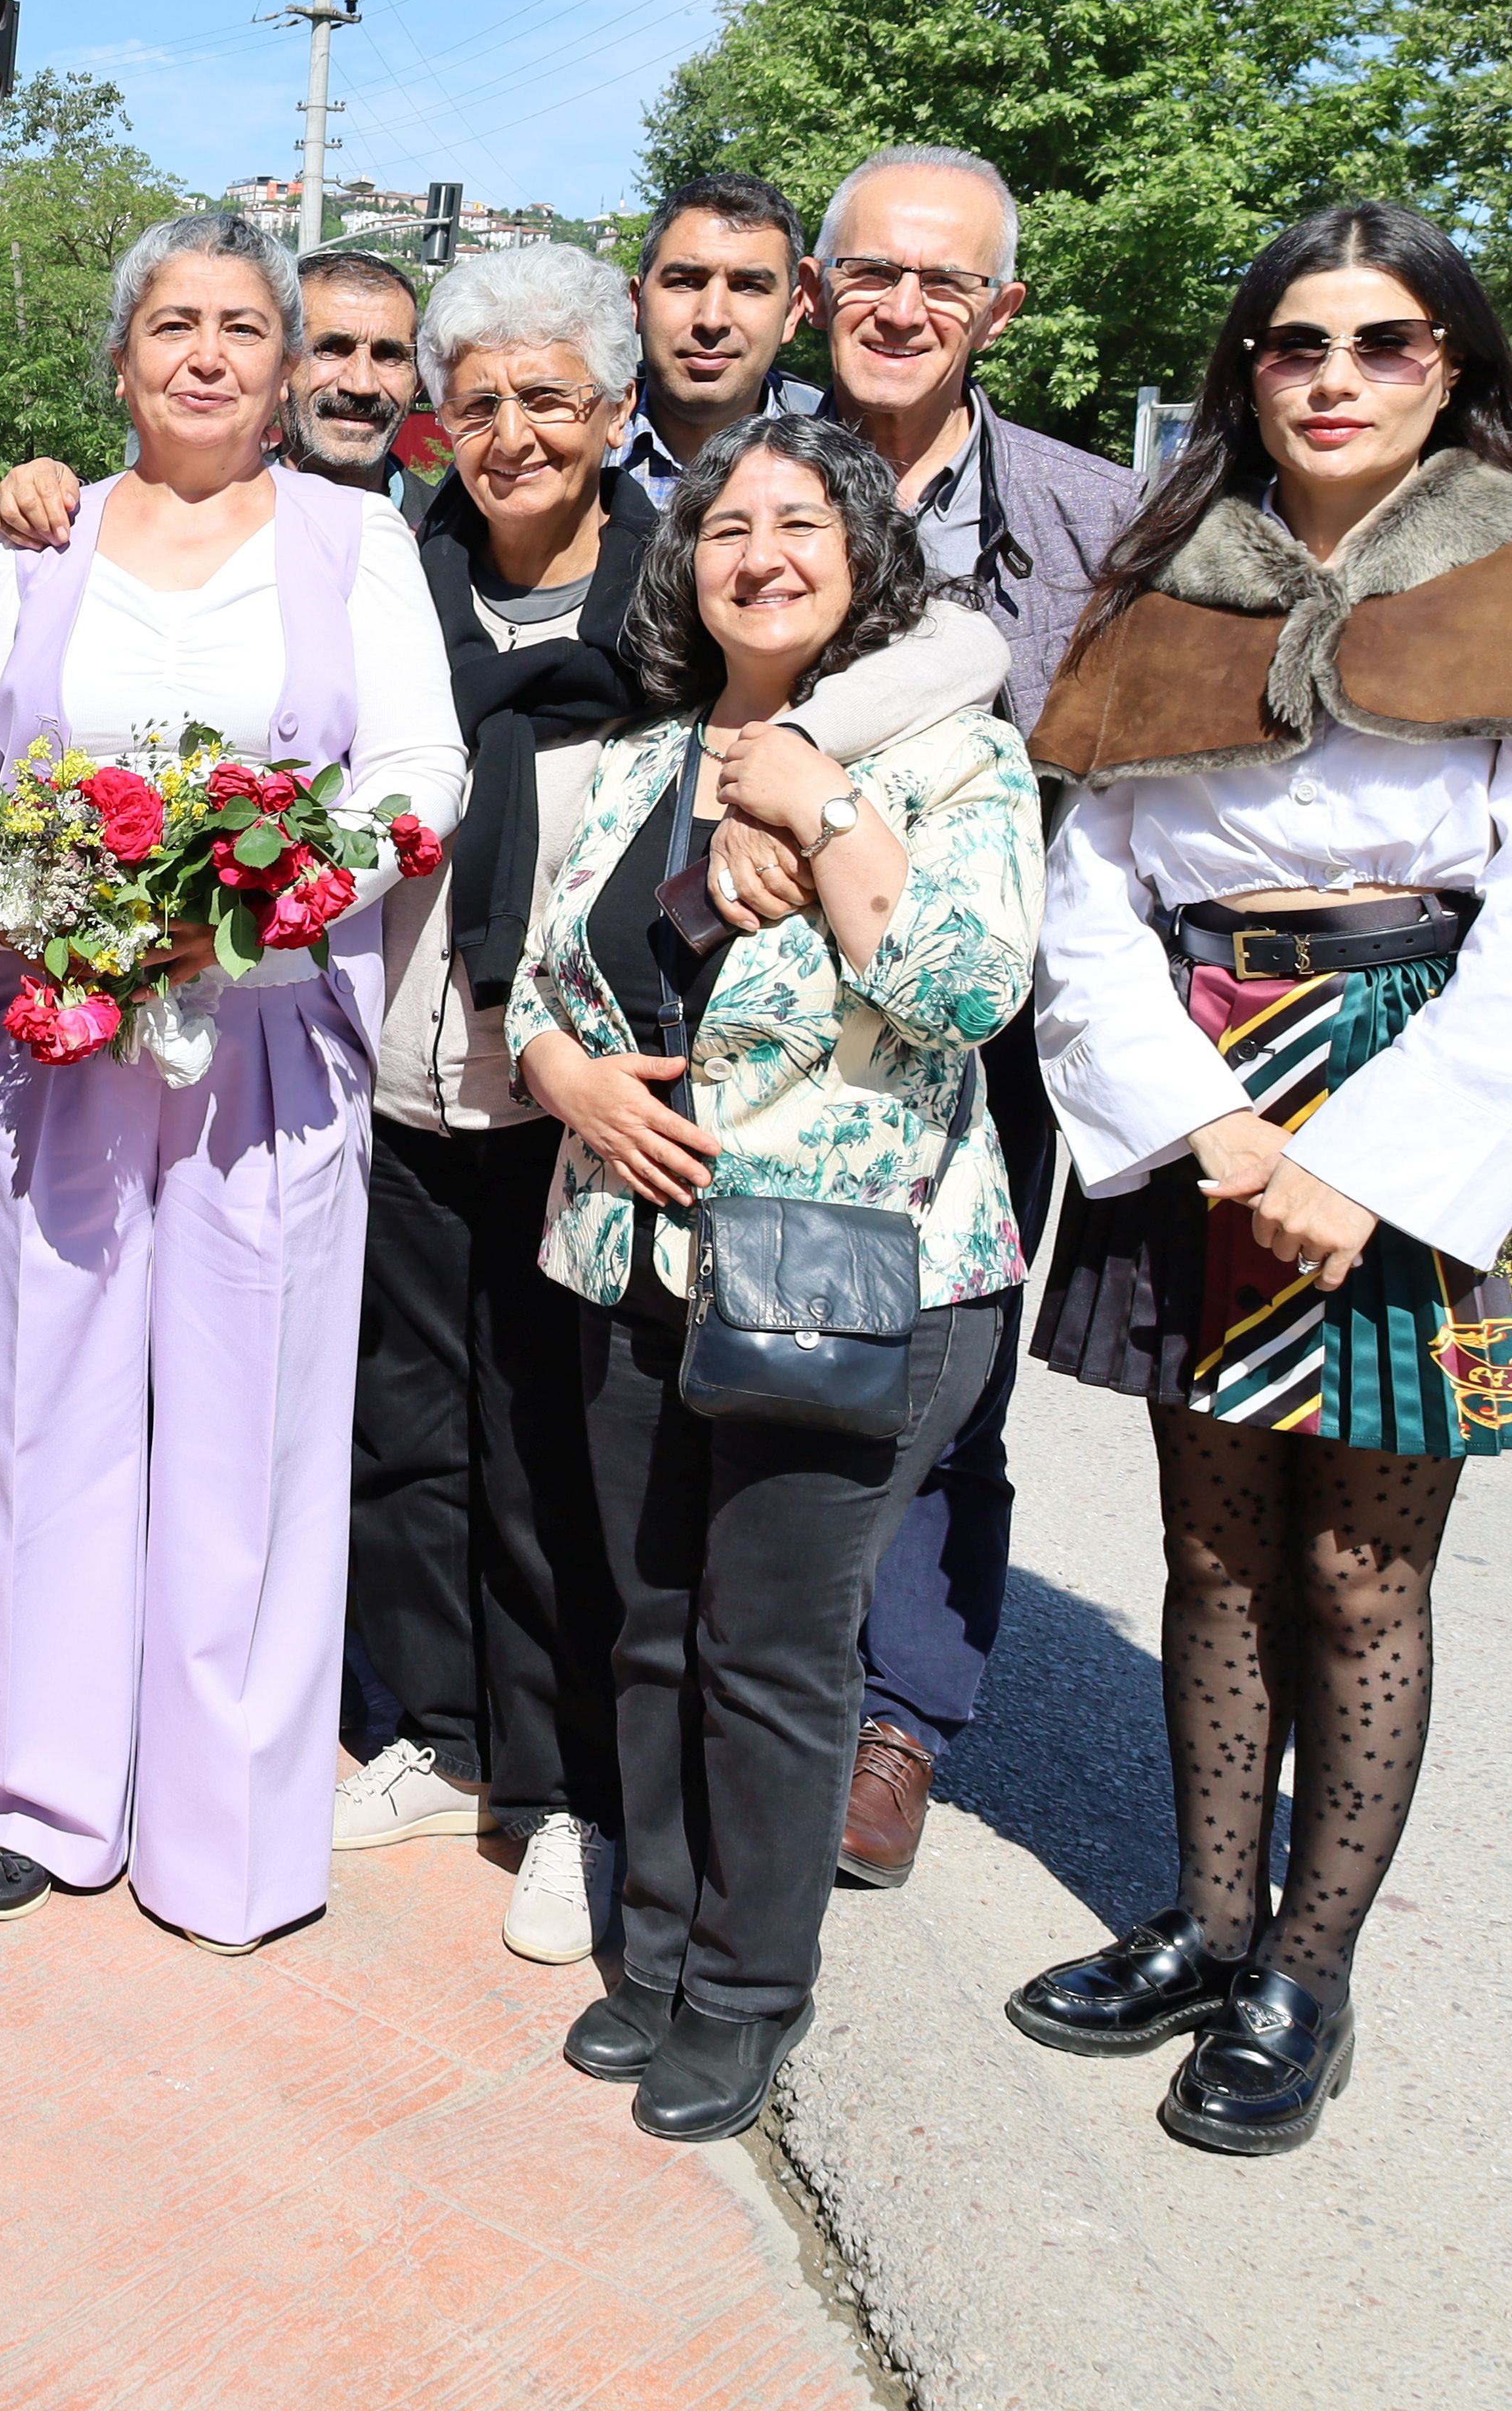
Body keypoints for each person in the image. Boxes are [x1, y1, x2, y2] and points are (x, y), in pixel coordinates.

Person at [1010, 201, 1512, 2157]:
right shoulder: (1173, 580)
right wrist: (1195, 1118)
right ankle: (1211, 1929)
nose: (1333, 379)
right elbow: (1093, 889)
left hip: (1418, 1082)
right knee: (1211, 1554)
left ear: (1448, 367)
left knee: (1356, 1573)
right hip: (1199, 1100)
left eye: (1383, 345)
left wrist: (1375, 1163)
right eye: (1296, 346)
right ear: (1249, 370)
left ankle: (1311, 1969)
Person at [345, 247, 1008, 1975]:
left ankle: (583, 1809)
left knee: (585, 1495)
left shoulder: (686, 567)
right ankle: (452, 1734)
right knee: (420, 1432)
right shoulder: (389, 570)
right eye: (474, 399)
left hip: (687, 1147)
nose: (509, 431)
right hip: (454, 1071)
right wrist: (544, 1042)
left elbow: (934, 652)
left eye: (548, 395)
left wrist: (791, 790)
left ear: (616, 410)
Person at [0, 210, 467, 1948]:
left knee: (256, 1428)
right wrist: (48, 915)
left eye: (240, 325)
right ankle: (25, 1789)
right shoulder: (38, 546)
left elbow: (418, 764)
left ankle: (220, 1825)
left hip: (270, 1034)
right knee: (32, 1408)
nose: (205, 353)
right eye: (171, 325)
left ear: (288, 365)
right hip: (59, 1038)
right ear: (122, 357)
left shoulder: (355, 541)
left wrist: (257, 902)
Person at [506, 408, 1041, 2141]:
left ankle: (747, 1989)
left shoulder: (948, 754)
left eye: (802, 522)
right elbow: (540, 984)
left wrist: (822, 815)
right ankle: (655, 1944)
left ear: (862, 556)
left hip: (849, 1272)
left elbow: (966, 995)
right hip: (629, 1254)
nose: (761, 553)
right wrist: (565, 1079)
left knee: (774, 1649)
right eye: (727, 525)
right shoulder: (643, 749)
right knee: (652, 1627)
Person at [769, 143, 1140, 1887]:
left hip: (982, 1011)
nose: (902, 309)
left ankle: (898, 1709)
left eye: (944, 284)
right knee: (733, 1344)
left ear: (999, 310)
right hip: (752, 1006)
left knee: (943, 1368)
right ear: (812, 289)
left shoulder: (1086, 518)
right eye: (870, 275)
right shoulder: (720, 470)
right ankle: (737, 1672)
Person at [0, 243, 423, 542]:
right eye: (331, 349)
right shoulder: (79, 533)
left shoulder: (462, 534)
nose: (362, 384)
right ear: (283, 366)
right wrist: (44, 498)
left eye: (389, 355)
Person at [613, 170, 822, 501]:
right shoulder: (569, 448)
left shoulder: (844, 449)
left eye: (748, 286)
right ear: (637, 303)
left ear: (792, 313)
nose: (712, 319)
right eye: (685, 281)